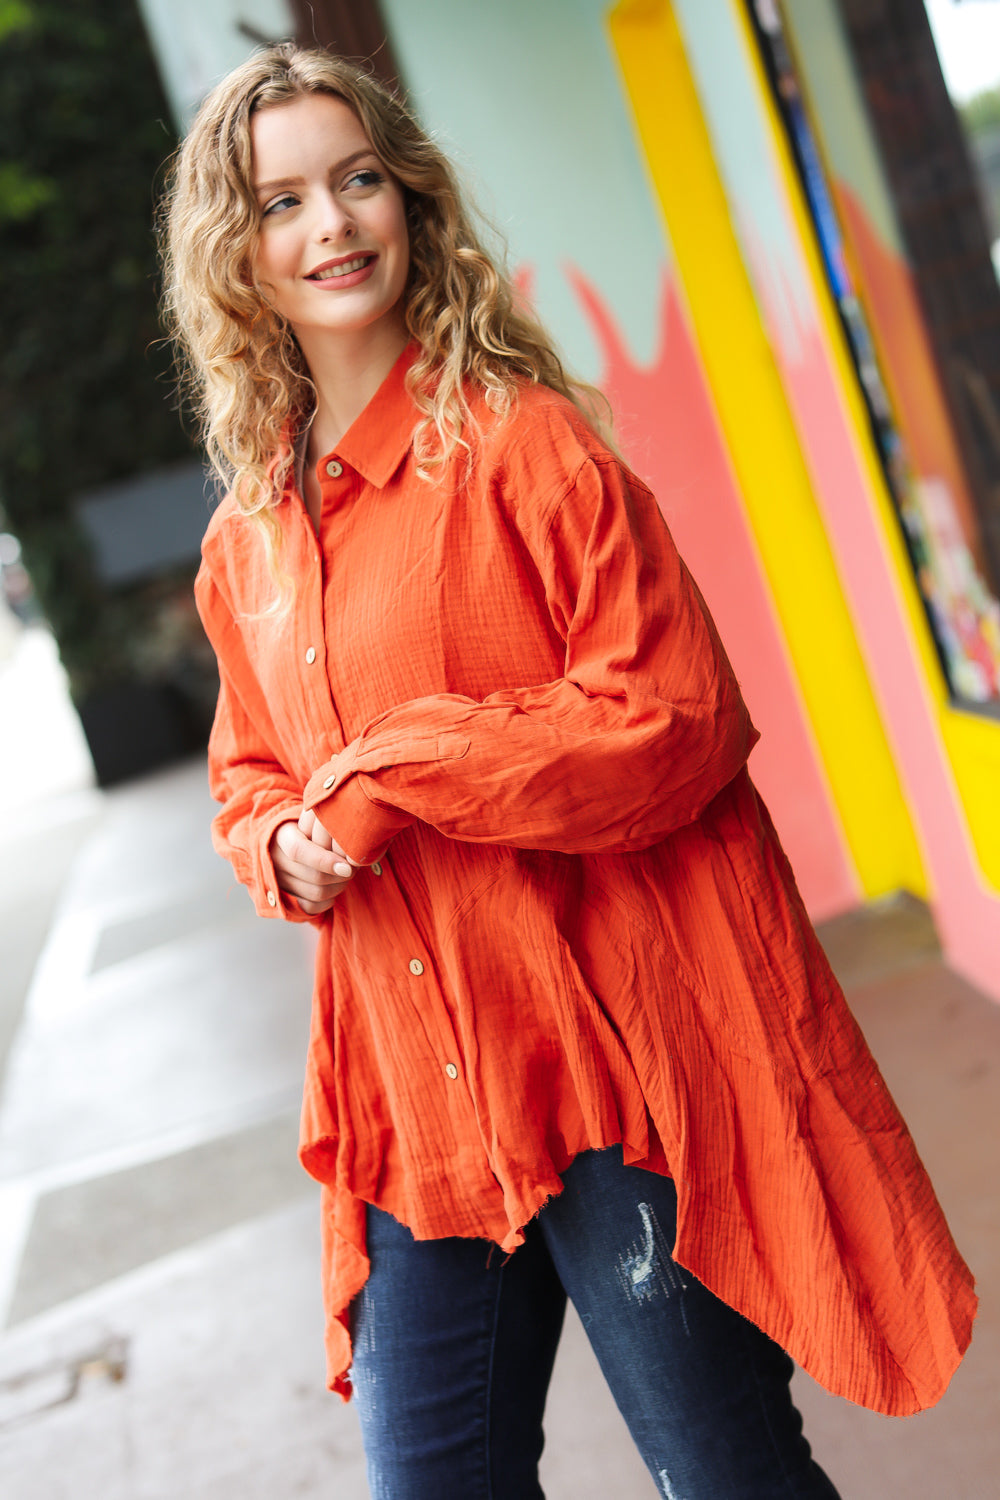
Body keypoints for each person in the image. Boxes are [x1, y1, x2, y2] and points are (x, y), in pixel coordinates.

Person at [162, 43, 975, 1499]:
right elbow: (250, 774)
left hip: (605, 1063)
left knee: (721, 1470)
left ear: (410, 201)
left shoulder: (521, 446)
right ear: (238, 253)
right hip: (419, 1099)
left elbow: (672, 719)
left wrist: (401, 776)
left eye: (357, 182)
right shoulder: (249, 542)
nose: (332, 227)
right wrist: (279, 843)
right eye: (282, 203)